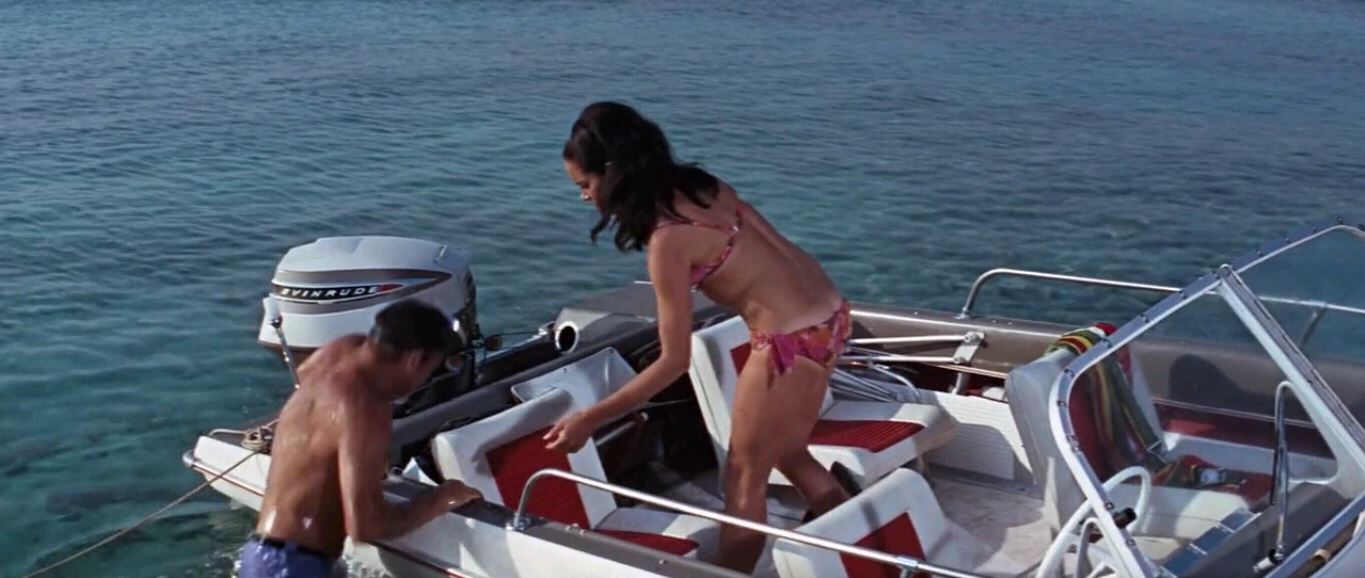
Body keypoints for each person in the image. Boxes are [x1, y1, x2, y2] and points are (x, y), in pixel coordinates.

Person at [544, 101, 852, 572]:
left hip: (788, 344)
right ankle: (862, 549)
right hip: (831, 317)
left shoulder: (667, 242)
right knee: (787, 452)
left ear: (613, 173)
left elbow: (674, 361)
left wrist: (591, 418)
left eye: (584, 185)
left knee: (743, 481)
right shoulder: (704, 187)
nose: (584, 197)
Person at [240, 300, 483, 578]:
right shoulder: (365, 407)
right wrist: (439, 499)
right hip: (296, 568)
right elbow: (365, 528)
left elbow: (312, 392)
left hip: (264, 554)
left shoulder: (338, 350)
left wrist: (344, 456)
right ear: (415, 360)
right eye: (429, 371)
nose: (423, 382)